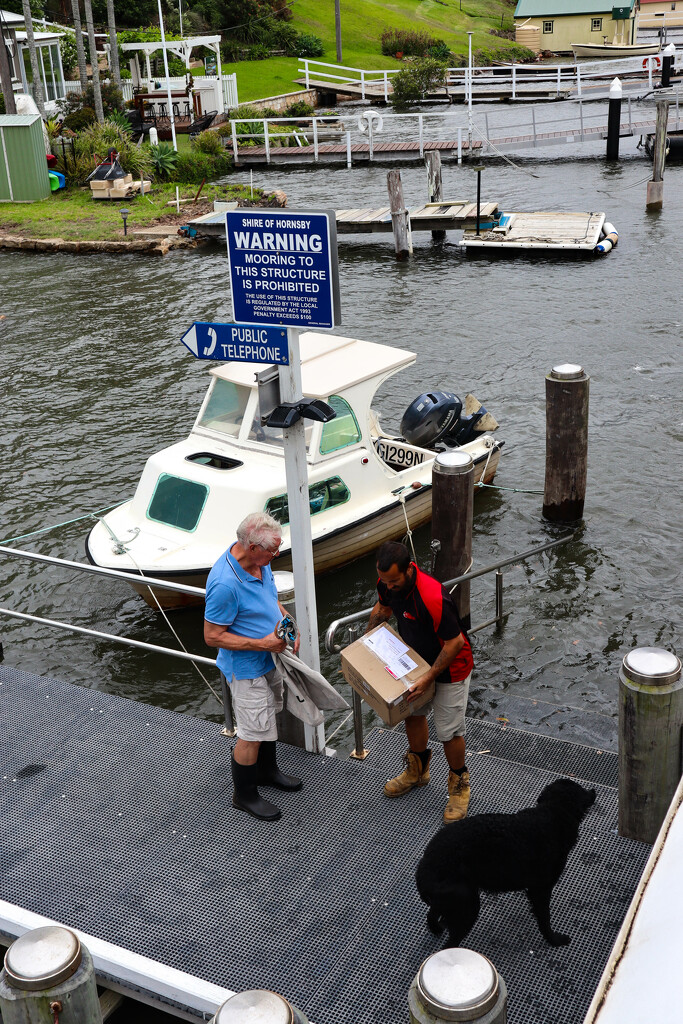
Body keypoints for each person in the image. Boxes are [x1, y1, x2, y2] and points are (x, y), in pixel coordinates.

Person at [204, 511, 302, 823]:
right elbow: (212, 636)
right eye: (273, 551)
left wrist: (288, 624)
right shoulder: (224, 584)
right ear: (250, 546)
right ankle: (243, 795)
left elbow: (270, 598)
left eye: (278, 548)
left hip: (269, 658)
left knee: (269, 715)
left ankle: (267, 772)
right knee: (251, 732)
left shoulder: (262, 561)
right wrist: (263, 644)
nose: (277, 555)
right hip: (246, 668)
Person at [367, 540, 474, 823]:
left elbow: (454, 643)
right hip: (414, 660)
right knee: (411, 713)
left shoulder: (432, 596)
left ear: (408, 571)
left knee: (449, 731)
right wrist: (365, 646)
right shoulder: (387, 584)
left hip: (451, 666)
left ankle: (460, 786)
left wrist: (428, 679)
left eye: (393, 581)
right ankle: (417, 770)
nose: (388, 587)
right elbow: (382, 609)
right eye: (384, 581)